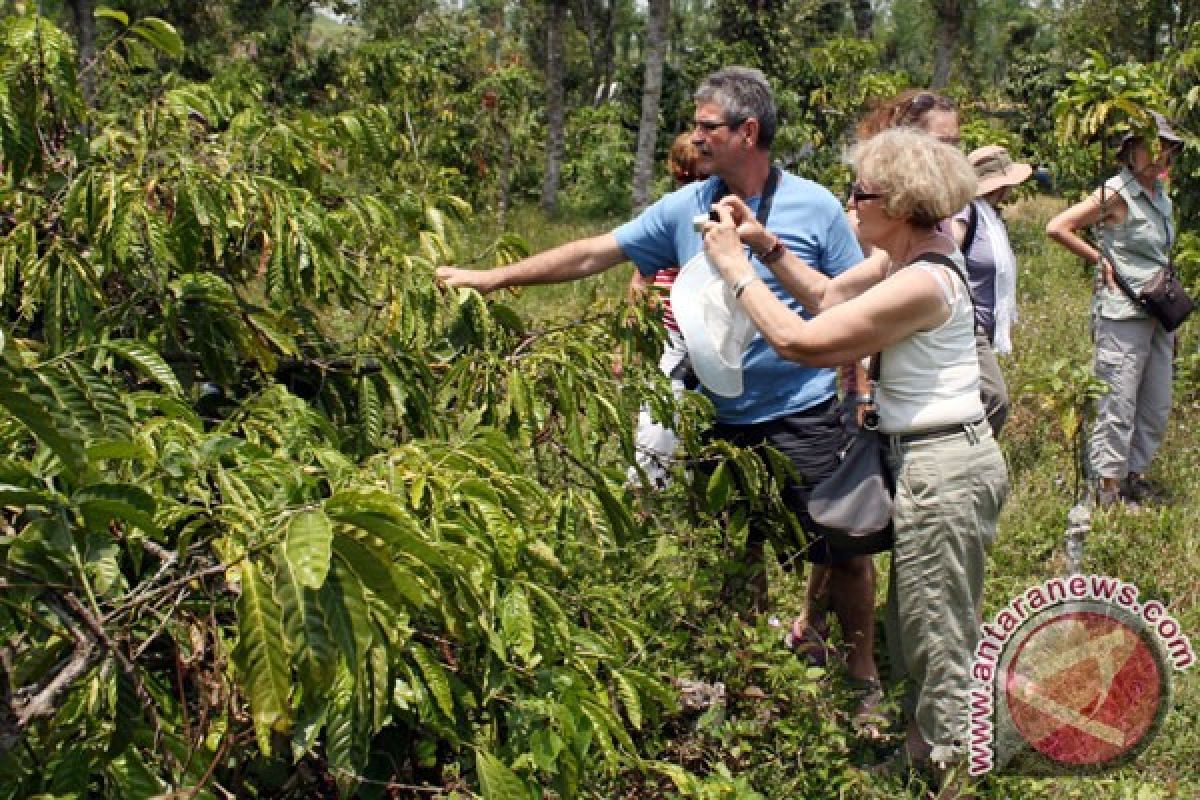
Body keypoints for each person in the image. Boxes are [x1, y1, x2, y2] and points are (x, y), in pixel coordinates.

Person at [438, 66, 885, 719]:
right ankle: (742, 679)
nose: (696, 137)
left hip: (806, 413)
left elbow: (856, 300)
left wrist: (860, 388)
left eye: (708, 126)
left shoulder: (814, 207)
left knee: (843, 554)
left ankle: (862, 674)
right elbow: (596, 252)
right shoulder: (687, 206)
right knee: (735, 554)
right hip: (716, 418)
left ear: (747, 131)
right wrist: (493, 277)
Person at [702, 127, 1009, 793]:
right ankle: (919, 754)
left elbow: (801, 340)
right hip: (927, 462)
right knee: (911, 627)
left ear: (896, 203)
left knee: (936, 634)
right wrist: (766, 245)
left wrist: (734, 270)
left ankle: (953, 770)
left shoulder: (924, 280)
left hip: (945, 468)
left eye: (861, 193)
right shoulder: (910, 255)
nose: (851, 205)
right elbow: (826, 298)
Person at [1045, 111, 1183, 508]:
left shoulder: (1160, 195)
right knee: (1118, 402)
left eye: (1166, 148)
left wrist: (1174, 322)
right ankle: (1107, 492)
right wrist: (1097, 258)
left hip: (1158, 312)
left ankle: (1134, 478)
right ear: (1131, 151)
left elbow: (1161, 258)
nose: (1161, 155)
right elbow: (1058, 226)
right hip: (1123, 311)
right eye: (1152, 146)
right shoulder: (1115, 192)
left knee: (1156, 403)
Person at [624, 133, 710, 489]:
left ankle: (699, 497)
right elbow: (640, 278)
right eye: (687, 177)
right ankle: (647, 492)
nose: (693, 185)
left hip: (712, 335)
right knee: (657, 420)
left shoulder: (724, 213)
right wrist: (629, 342)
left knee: (707, 424)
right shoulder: (671, 211)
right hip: (671, 333)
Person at [948, 145, 1034, 433]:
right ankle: (972, 459)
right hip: (965, 328)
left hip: (983, 328)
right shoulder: (966, 213)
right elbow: (948, 252)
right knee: (995, 399)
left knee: (976, 400)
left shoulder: (992, 218)